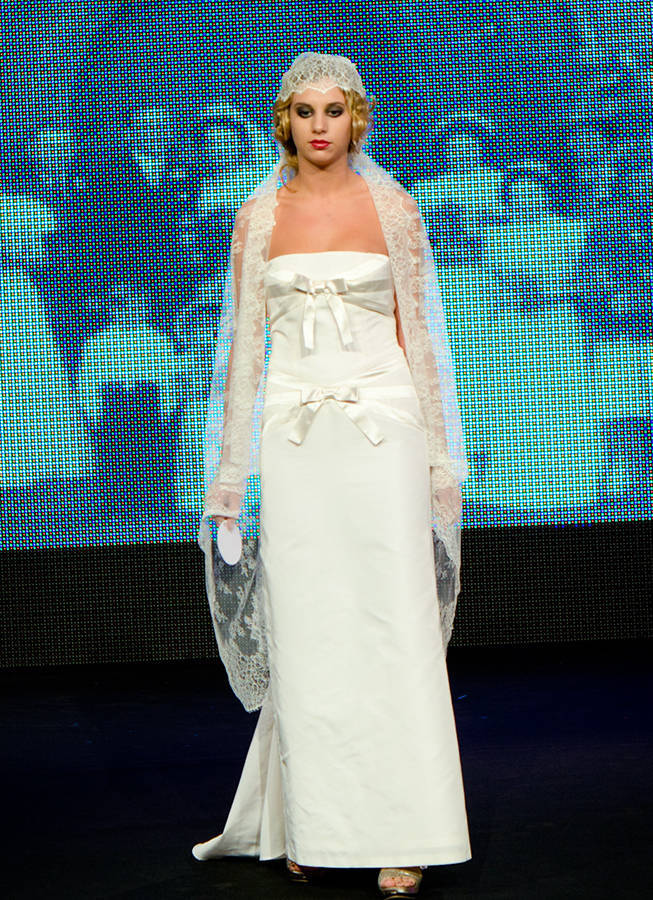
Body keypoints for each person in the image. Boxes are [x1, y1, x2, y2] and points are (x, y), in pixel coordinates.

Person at [191, 52, 471, 898]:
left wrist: (440, 459)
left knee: (392, 620)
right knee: (308, 623)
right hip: (295, 438)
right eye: (305, 111)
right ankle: (315, 822)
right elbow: (243, 355)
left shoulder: (394, 207)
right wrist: (229, 478)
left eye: (335, 110)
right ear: (287, 122)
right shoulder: (255, 218)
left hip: (383, 431)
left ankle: (407, 831)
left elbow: (420, 336)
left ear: (357, 118)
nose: (321, 125)